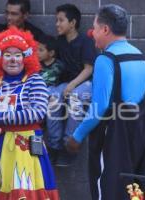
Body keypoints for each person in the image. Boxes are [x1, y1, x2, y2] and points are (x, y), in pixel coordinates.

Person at [66, 4, 145, 200]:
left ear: (105, 29)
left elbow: (100, 107)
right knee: (133, 190)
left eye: (94, 28)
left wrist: (77, 136)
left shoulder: (106, 60)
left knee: (107, 189)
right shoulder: (141, 56)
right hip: (139, 133)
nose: (92, 33)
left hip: (112, 136)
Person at [0, 27, 59, 200]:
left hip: (23, 148)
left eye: (18, 54)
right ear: (0, 58)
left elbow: (38, 112)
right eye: (7, 55)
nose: (13, 59)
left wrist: (0, 119)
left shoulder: (35, 80)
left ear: (26, 58)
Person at [46, 3, 97, 166]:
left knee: (75, 97)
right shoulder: (59, 42)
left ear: (73, 23)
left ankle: (70, 144)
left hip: (85, 83)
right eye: (56, 20)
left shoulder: (86, 41)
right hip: (66, 83)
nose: (57, 24)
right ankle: (55, 145)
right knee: (53, 97)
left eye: (61, 20)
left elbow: (89, 69)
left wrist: (72, 85)